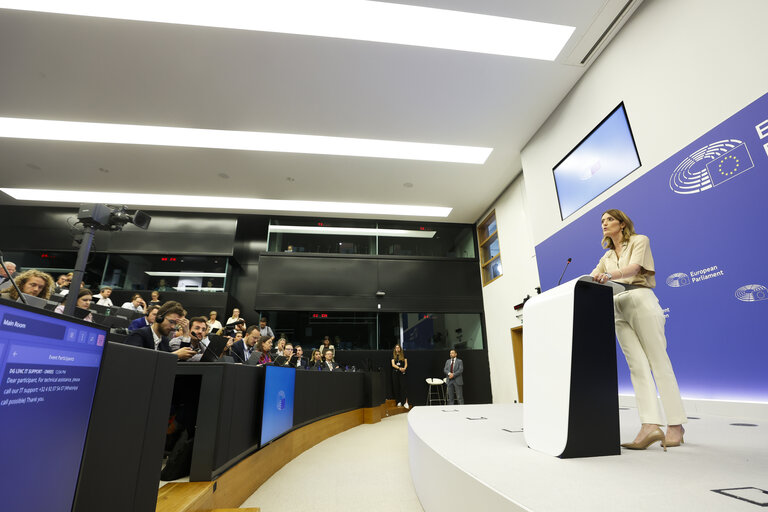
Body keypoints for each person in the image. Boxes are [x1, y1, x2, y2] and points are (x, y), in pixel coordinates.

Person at [591, 209, 686, 449]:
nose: (605, 223)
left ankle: (675, 425)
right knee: (637, 367)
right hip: (616, 306)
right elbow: (593, 277)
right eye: (602, 221)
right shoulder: (606, 256)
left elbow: (634, 269)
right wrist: (590, 280)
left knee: (658, 362)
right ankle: (650, 425)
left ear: (621, 224)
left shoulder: (639, 240)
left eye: (610, 219)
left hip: (640, 298)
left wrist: (607, 275)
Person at [124, 301, 196, 360]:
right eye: (171, 322)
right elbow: (135, 360)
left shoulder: (164, 341)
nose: (173, 327)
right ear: (159, 317)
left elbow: (179, 363)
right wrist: (174, 355)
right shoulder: (139, 335)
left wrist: (186, 333)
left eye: (176, 324)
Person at [391, 344, 409, 408]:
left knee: (403, 387)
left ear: (400, 349)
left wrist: (404, 368)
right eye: (396, 348)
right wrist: (399, 368)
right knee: (396, 387)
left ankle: (405, 402)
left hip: (402, 372)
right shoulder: (393, 356)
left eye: (398, 347)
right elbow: (393, 364)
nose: (397, 349)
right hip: (396, 372)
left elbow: (406, 364)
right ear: (395, 349)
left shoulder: (403, 355)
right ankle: (398, 401)